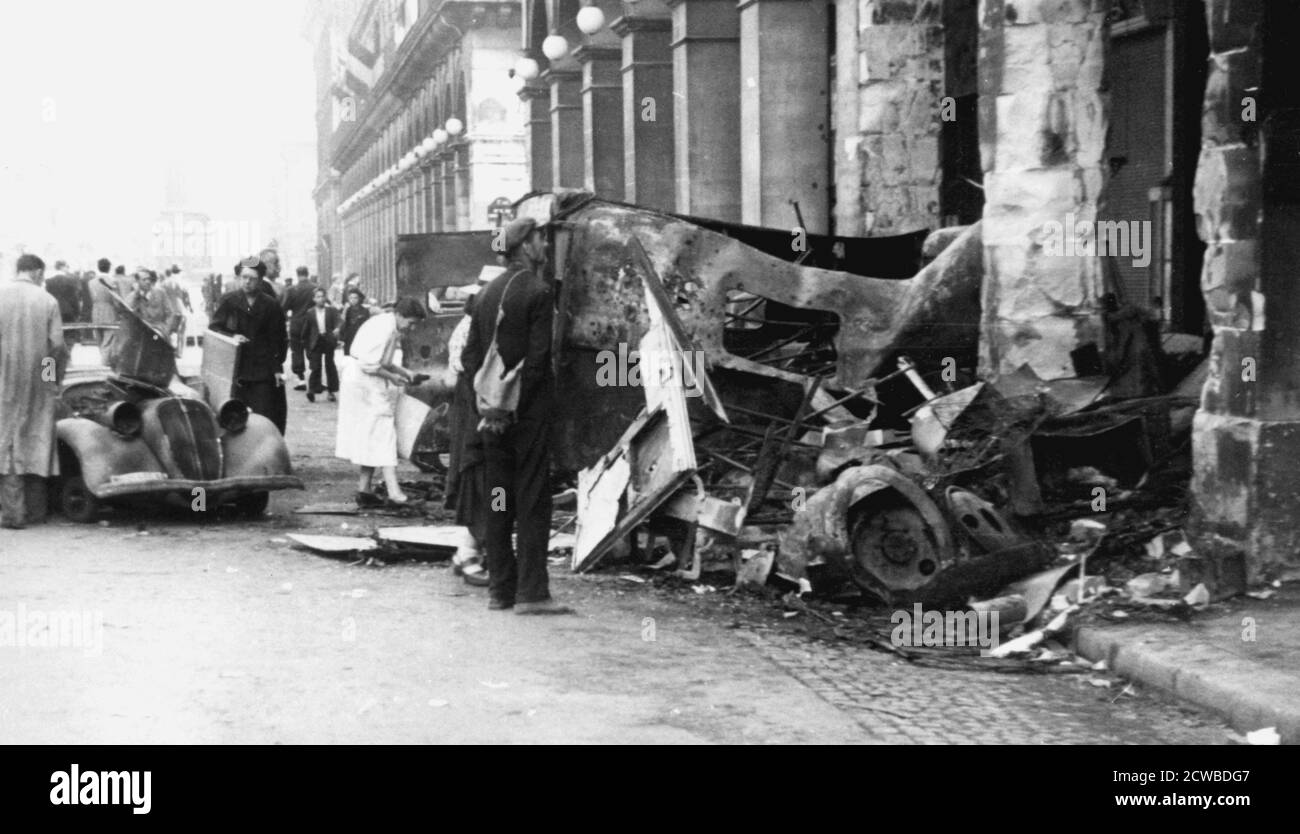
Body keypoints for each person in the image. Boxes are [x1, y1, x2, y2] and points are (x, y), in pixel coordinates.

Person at [461, 217, 569, 615]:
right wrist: (519, 411)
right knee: (532, 500)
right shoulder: (538, 292)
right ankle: (531, 594)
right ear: (525, 245)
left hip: (490, 418)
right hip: (526, 418)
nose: (545, 245)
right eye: (541, 238)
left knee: (499, 500)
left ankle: (500, 590)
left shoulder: (486, 292)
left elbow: (469, 357)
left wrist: (489, 409)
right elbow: (538, 362)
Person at [336, 297, 427, 506]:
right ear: (400, 315)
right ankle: (395, 493)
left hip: (365, 381)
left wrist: (406, 372)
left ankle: (364, 489)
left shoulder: (391, 326)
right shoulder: (384, 328)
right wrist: (394, 378)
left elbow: (384, 362)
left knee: (372, 434)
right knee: (384, 432)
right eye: (411, 323)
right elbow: (370, 365)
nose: (412, 328)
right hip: (363, 383)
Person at [0, 254, 66, 529]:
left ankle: (12, 513)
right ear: (37, 271)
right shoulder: (47, 301)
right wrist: (49, 380)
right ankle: (37, 513)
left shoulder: (1, 297)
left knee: (7, 443)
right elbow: (56, 346)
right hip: (38, 384)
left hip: (4, 383)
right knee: (38, 440)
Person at [210, 256, 289, 434]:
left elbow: (279, 339)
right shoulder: (229, 301)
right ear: (239, 277)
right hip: (236, 370)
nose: (247, 282)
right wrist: (232, 336)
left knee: (264, 415)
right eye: (244, 277)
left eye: (252, 279)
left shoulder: (270, 305)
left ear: (260, 280)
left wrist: (277, 368)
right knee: (234, 418)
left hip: (263, 371)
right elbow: (214, 329)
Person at [445, 288, 489, 588]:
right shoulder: (474, 329)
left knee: (478, 479)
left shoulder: (468, 324)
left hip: (470, 401)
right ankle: (469, 552)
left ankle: (469, 550)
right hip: (474, 402)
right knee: (479, 477)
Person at [302, 287, 340, 402]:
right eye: (318, 297)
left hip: (328, 341)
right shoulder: (310, 313)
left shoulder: (331, 310)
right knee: (315, 366)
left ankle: (331, 391)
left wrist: (337, 328)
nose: (321, 299)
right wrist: (307, 347)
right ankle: (312, 390)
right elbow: (306, 331)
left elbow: (339, 321)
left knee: (330, 365)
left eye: (323, 296)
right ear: (314, 299)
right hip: (316, 341)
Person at [281, 266, 316, 392]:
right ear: (308, 274)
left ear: (297, 275)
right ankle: (314, 377)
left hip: (296, 323)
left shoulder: (292, 290)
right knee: (312, 349)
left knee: (297, 351)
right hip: (312, 324)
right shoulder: (314, 288)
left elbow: (284, 307)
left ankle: (301, 379)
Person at [128, 269, 180, 338]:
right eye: (144, 280)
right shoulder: (133, 296)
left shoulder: (160, 293)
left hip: (160, 331)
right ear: (137, 282)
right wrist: (136, 295)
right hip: (142, 334)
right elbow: (129, 314)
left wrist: (165, 329)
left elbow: (170, 313)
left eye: (149, 279)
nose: (148, 282)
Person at [87, 257, 120, 363]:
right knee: (108, 341)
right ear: (109, 268)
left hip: (95, 312)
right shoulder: (113, 281)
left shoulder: (91, 282)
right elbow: (116, 300)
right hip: (109, 312)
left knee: (100, 340)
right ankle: (104, 363)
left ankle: (104, 360)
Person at [43, 260, 82, 328]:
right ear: (62, 267)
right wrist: (77, 312)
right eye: (67, 266)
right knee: (69, 334)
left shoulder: (48, 282)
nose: (68, 268)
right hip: (68, 312)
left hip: (53, 312)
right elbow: (74, 299)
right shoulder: (70, 281)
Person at [337, 286, 371, 356]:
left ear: (359, 299)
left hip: (360, 337)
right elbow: (343, 324)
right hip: (349, 338)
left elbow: (367, 325)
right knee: (348, 357)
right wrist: (341, 339)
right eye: (351, 298)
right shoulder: (347, 310)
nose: (353, 300)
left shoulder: (365, 311)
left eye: (355, 298)